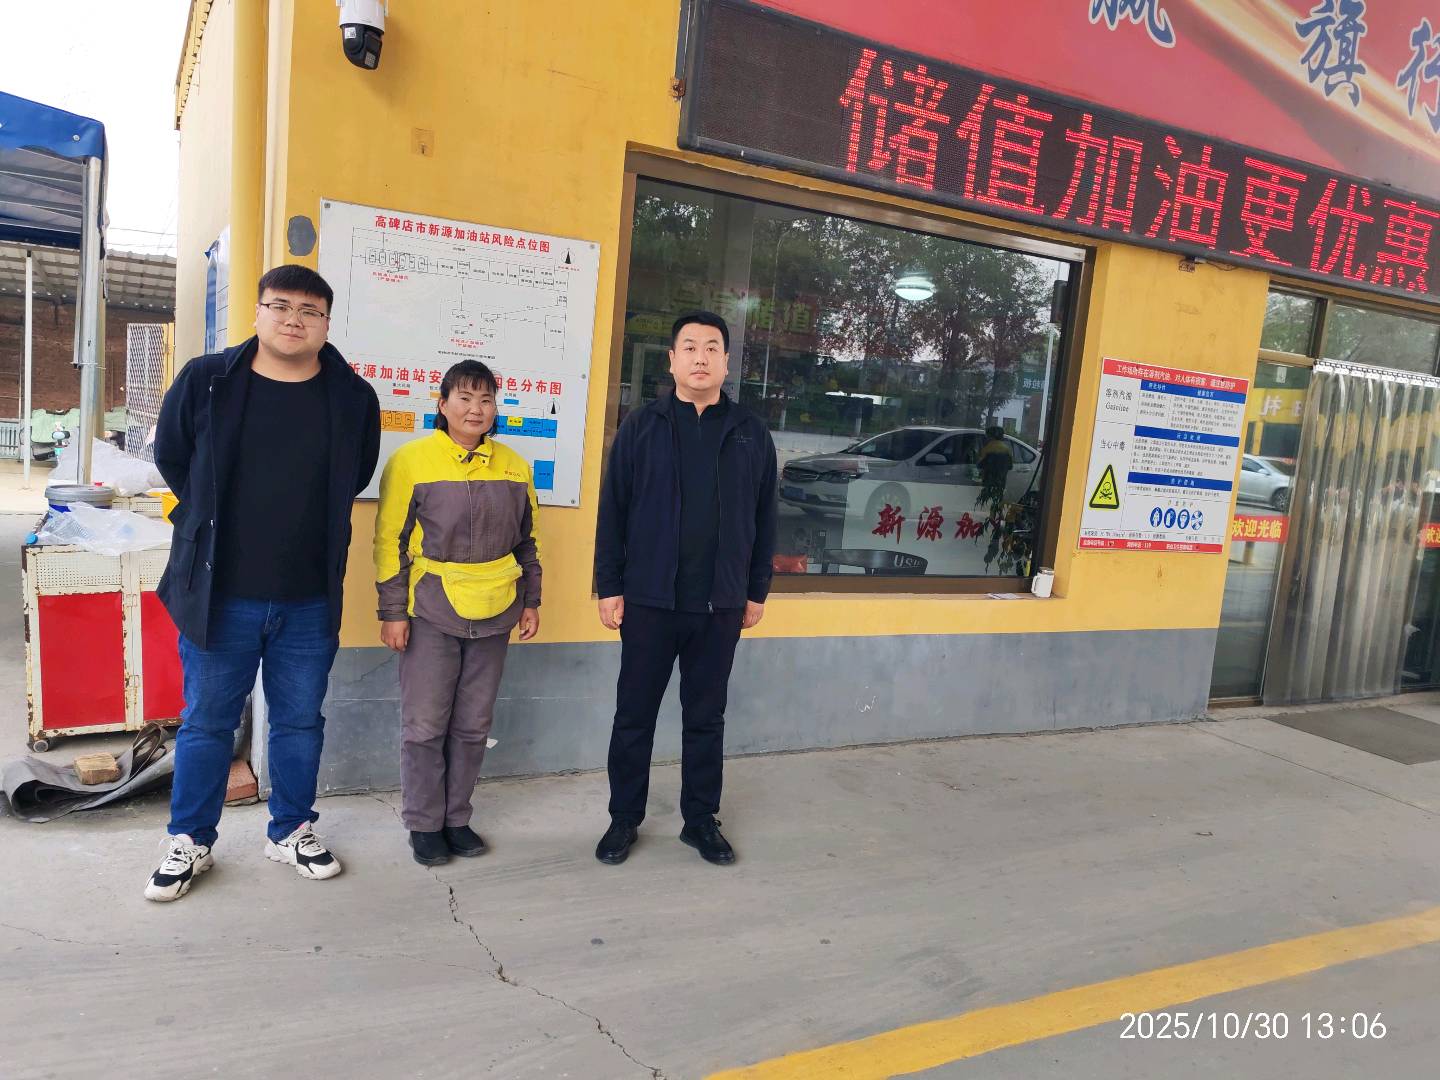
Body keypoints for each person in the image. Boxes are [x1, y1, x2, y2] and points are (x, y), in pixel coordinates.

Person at [145, 265, 380, 902]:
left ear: (326, 323)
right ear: (258, 311)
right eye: (281, 305)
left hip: (309, 597)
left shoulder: (352, 396)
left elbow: (355, 474)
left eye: (310, 310)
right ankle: (190, 840)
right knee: (206, 723)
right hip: (220, 592)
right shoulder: (208, 379)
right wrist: (207, 516)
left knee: (300, 721)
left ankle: (291, 829)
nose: (294, 319)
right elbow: (172, 456)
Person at [593, 311, 778, 866]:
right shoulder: (642, 426)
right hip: (649, 600)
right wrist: (609, 584)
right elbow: (613, 510)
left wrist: (756, 590)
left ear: (726, 361)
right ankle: (624, 818)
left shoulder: (749, 432)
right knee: (634, 715)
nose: (701, 357)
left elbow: (766, 517)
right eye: (690, 347)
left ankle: (700, 820)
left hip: (719, 604)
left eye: (712, 348)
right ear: (672, 360)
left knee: (706, 717)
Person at [374, 360, 541, 867]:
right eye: (465, 398)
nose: (476, 409)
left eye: (486, 399)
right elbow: (389, 542)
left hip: (496, 608)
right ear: (442, 404)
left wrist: (531, 601)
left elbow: (527, 542)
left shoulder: (514, 466)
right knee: (425, 724)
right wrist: (392, 611)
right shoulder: (411, 461)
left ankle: (456, 818)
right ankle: (424, 823)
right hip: (430, 610)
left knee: (473, 725)